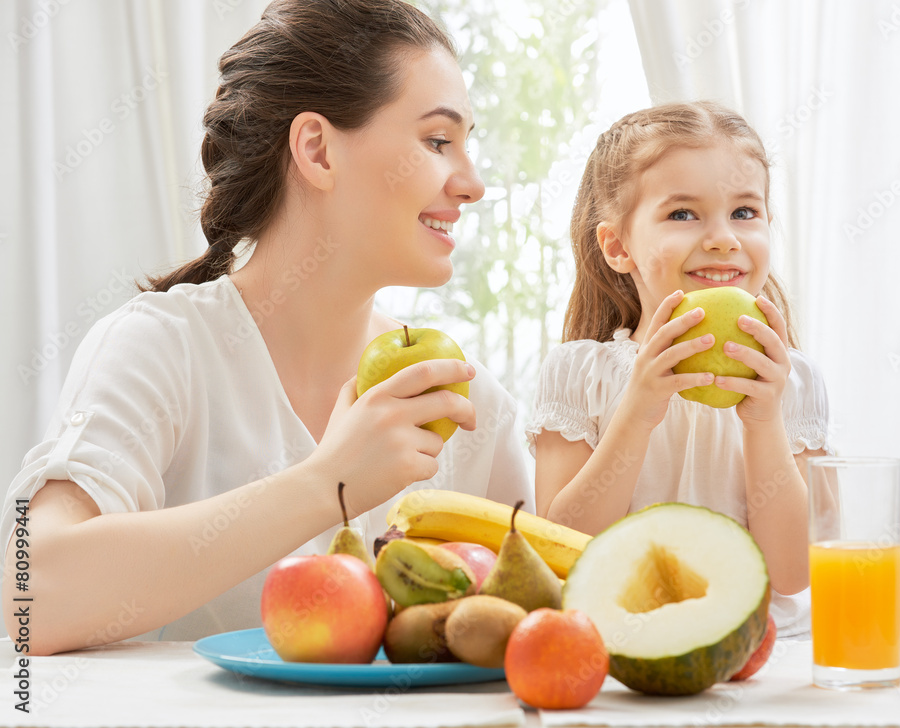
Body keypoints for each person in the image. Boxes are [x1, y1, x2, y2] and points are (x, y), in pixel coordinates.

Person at [1, 0, 532, 655]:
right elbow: (31, 594)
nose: (473, 184)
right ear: (317, 150)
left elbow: (557, 621)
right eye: (437, 141)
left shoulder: (465, 401)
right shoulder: (163, 350)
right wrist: (323, 486)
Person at [526, 102, 831, 637]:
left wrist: (764, 421)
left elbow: (792, 571)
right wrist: (636, 414)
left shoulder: (794, 383)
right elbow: (562, 552)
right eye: (683, 214)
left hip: (762, 657)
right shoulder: (580, 375)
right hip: (623, 648)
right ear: (618, 246)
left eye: (744, 212)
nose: (723, 238)